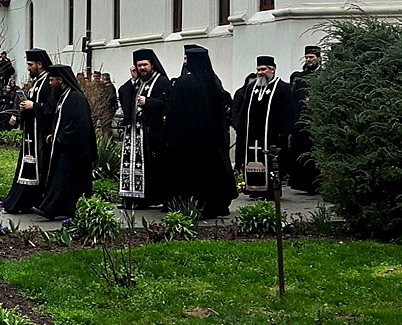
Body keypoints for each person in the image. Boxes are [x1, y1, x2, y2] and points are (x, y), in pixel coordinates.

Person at [164, 45, 237, 218]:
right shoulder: (214, 82)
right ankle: (215, 206)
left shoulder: (183, 83)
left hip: (188, 143)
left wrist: (170, 137)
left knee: (190, 176)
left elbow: (174, 113)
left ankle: (192, 206)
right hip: (211, 142)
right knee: (212, 175)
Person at [33, 65, 97, 220]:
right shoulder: (64, 96)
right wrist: (53, 135)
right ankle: (57, 208)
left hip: (74, 148)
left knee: (65, 179)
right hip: (64, 146)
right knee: (61, 178)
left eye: (52, 80)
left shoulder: (76, 98)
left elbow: (79, 125)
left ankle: (52, 209)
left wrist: (60, 137)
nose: (50, 83)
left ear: (60, 80)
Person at [235, 55, 297, 196]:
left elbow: (289, 110)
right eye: (258, 70)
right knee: (252, 158)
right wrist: (241, 128)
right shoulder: (252, 88)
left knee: (272, 163)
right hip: (252, 135)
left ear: (272, 70)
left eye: (263, 69)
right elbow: (244, 109)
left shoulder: (282, 87)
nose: (260, 73)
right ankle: (253, 189)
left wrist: (284, 130)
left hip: (273, 135)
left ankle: (270, 191)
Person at [4, 49, 56, 213]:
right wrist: (25, 106)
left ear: (39, 64)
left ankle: (35, 200)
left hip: (41, 133)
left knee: (40, 167)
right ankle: (23, 201)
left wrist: (34, 106)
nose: (28, 68)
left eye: (30, 65)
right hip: (31, 132)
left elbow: (52, 107)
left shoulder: (48, 81)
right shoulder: (38, 81)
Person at [118, 48, 171, 208]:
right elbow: (123, 93)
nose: (142, 68)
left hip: (152, 133)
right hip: (135, 133)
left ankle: (150, 199)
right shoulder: (137, 82)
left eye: (145, 65)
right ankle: (133, 197)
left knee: (152, 167)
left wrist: (149, 102)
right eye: (139, 65)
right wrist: (133, 80)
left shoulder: (162, 81)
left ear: (152, 65)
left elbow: (167, 104)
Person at [287, 46, 323, 193]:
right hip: (300, 122)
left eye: (311, 57)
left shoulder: (322, 76)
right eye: (307, 57)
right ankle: (301, 184)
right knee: (300, 152)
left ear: (318, 58)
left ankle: (316, 184)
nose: (308, 60)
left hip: (315, 121)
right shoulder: (299, 77)